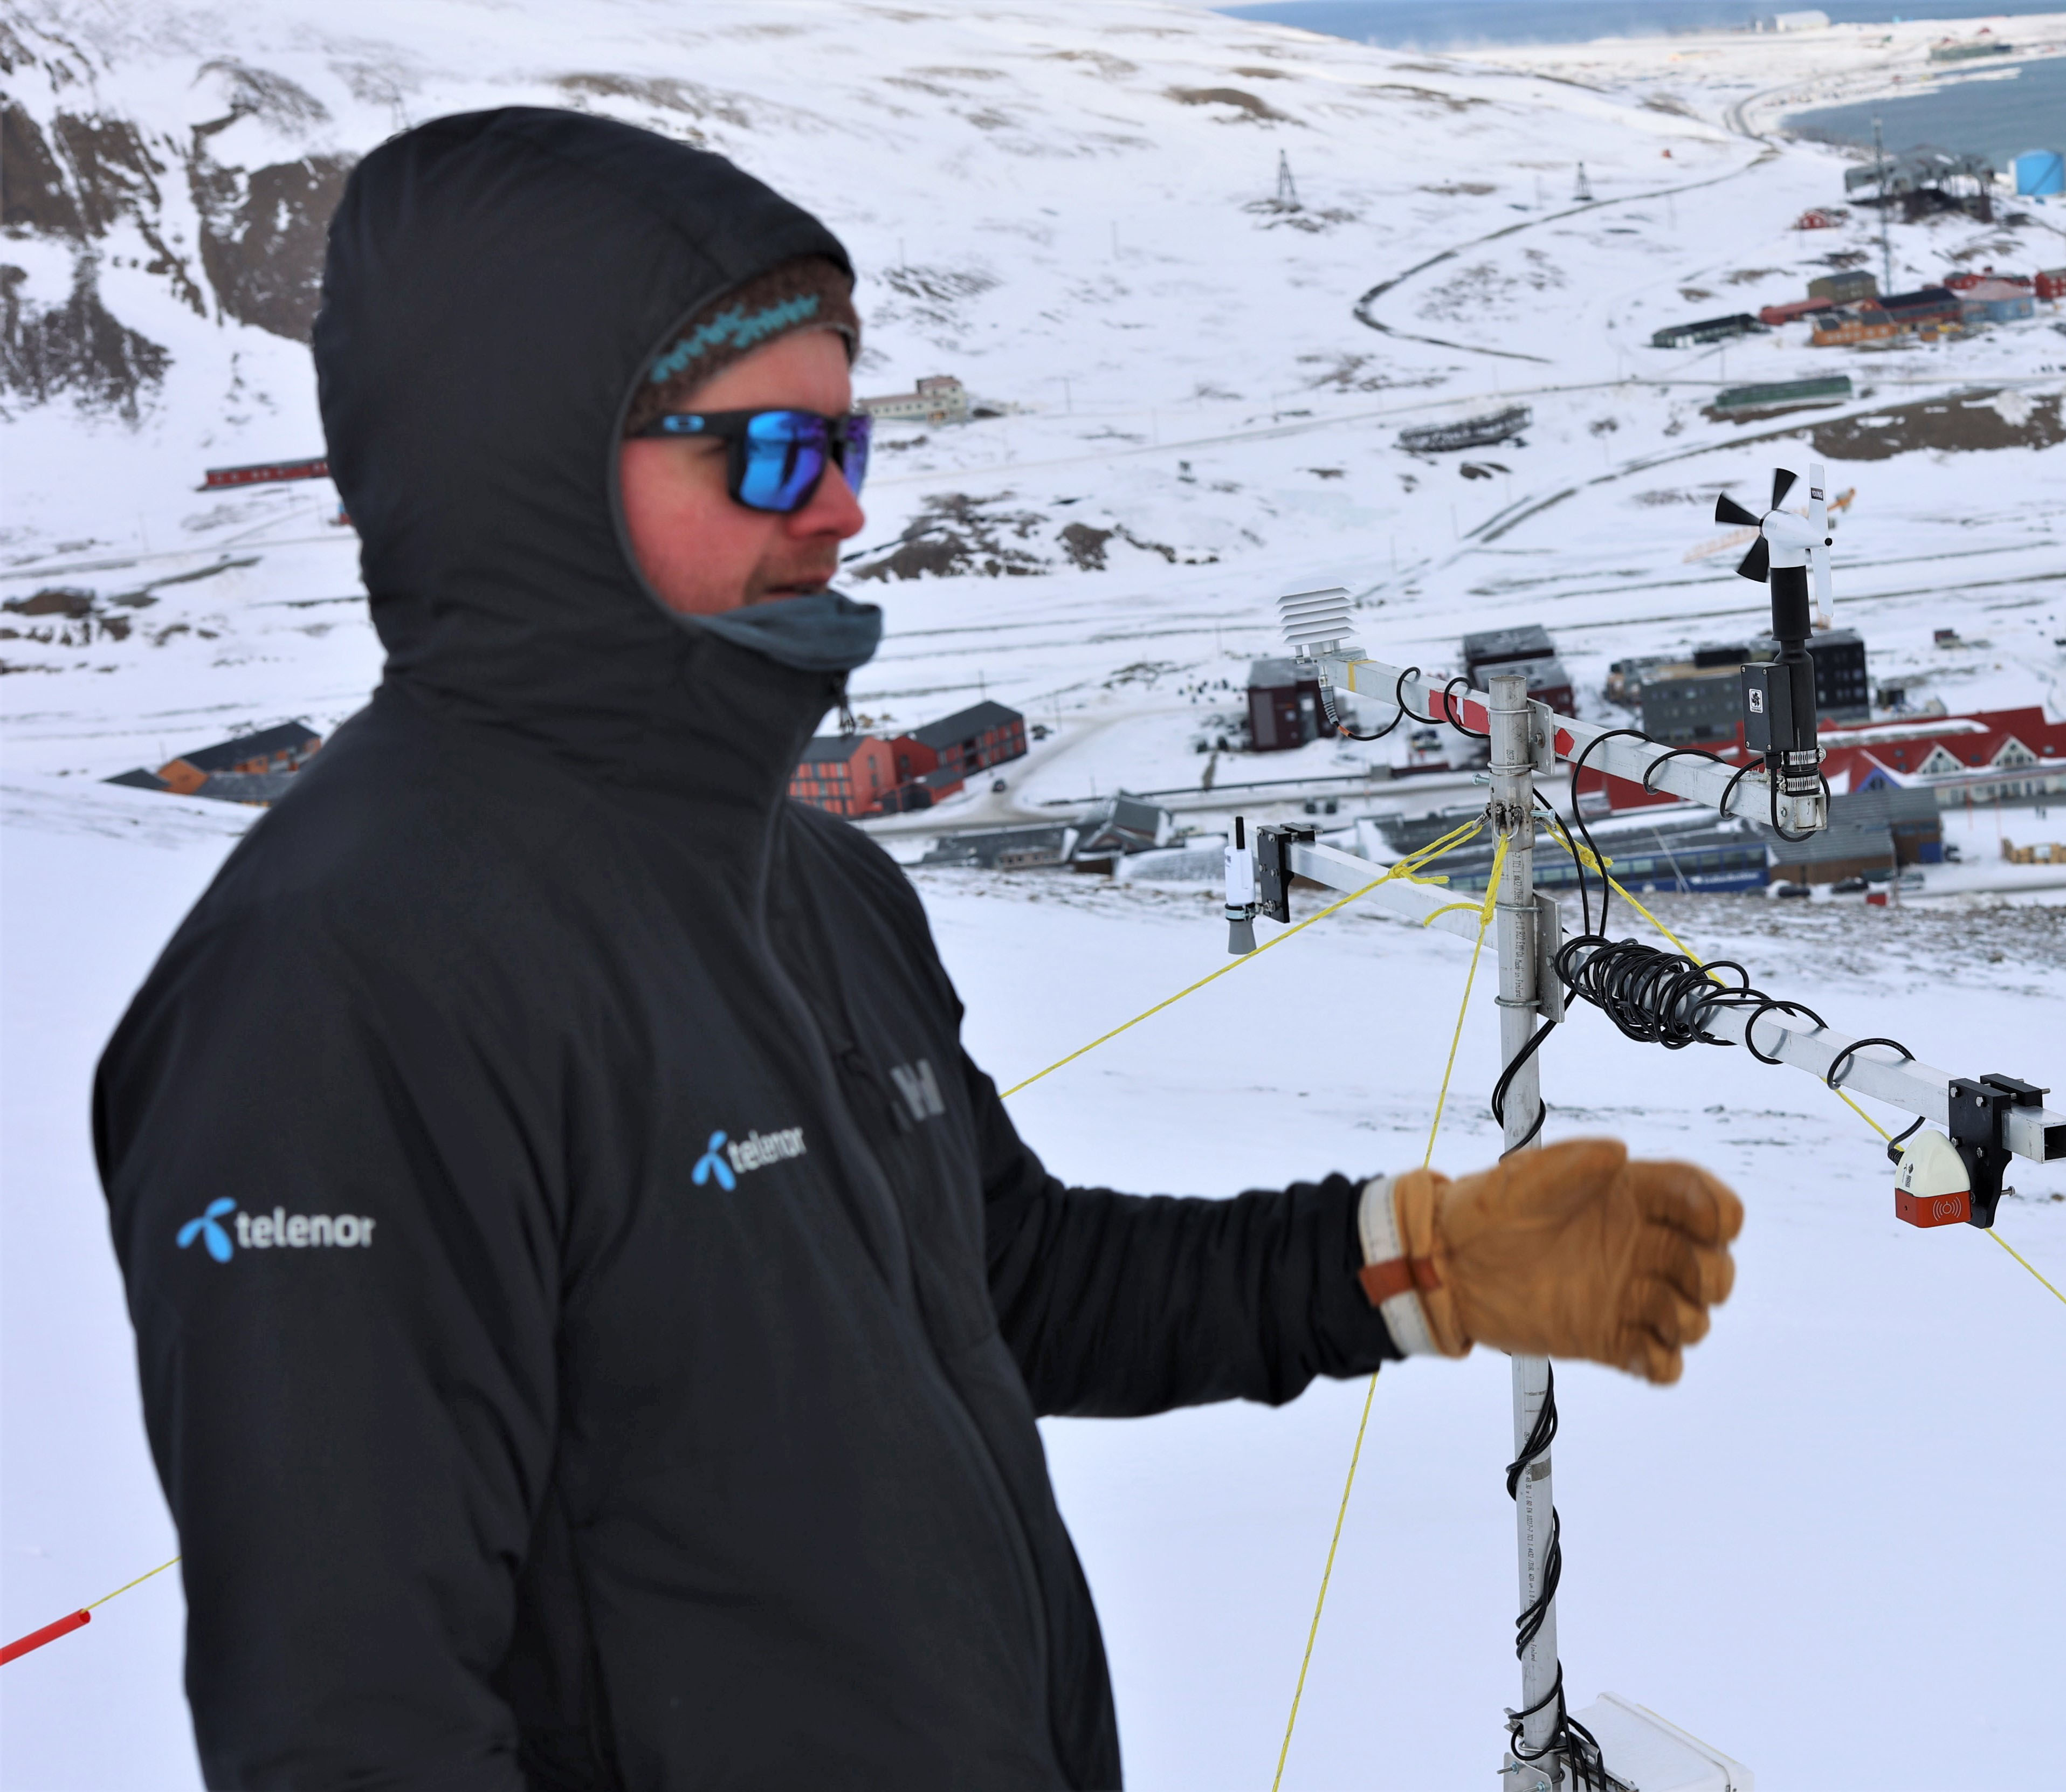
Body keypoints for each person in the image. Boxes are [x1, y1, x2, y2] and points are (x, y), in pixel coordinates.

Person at [94, 108, 1741, 1790]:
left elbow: (1003, 1283)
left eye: (847, 443)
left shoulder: (806, 883)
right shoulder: (340, 992)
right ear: (529, 464)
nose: (840, 513)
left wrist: (1418, 1262)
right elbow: (354, 1733)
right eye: (768, 455)